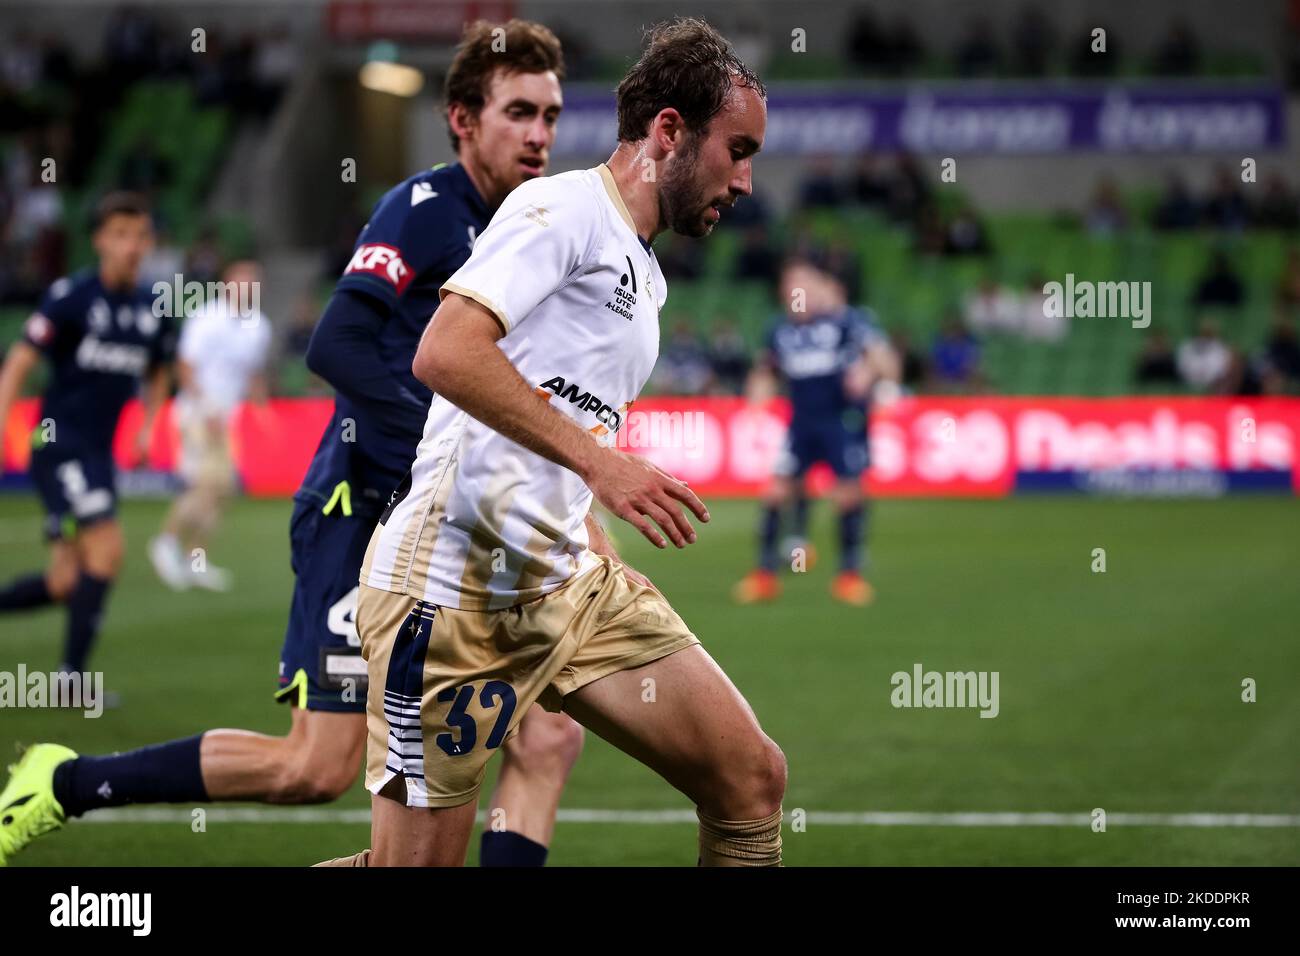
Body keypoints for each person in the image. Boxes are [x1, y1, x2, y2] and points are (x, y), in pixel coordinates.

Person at [0, 20, 579, 870]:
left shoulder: (531, 230)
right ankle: (65, 783)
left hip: (461, 528)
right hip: (361, 510)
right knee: (315, 769)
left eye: (552, 116)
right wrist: (445, 441)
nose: (539, 134)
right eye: (519, 112)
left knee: (545, 740)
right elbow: (335, 345)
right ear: (462, 118)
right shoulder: (422, 211)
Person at [345, 17, 785, 867]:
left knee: (751, 782)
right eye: (738, 150)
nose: (748, 180)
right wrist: (601, 465)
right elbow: (445, 350)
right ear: (668, 132)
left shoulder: (643, 268)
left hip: (564, 586)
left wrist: (591, 525)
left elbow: (561, 406)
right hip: (452, 594)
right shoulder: (561, 208)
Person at [0, 191, 171, 683]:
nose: (131, 246)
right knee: (108, 549)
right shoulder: (71, 297)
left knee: (65, 581)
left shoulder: (151, 307)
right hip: (58, 448)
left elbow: (159, 373)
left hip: (96, 454)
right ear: (99, 240)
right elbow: (18, 363)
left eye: (140, 235)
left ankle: (69, 679)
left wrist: (145, 429)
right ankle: (71, 683)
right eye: (120, 235)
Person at [733, 257, 898, 607]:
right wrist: (756, 397)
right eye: (790, 286)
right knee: (776, 493)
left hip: (841, 421)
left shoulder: (846, 323)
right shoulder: (780, 330)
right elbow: (765, 371)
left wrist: (869, 372)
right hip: (801, 423)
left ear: (818, 288)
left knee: (848, 494)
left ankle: (849, 576)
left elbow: (885, 361)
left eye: (802, 286)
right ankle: (764, 576)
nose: (796, 293)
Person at [148, 258, 271, 591]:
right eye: (239, 279)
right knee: (205, 484)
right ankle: (166, 542)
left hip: (226, 417)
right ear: (226, 282)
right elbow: (185, 367)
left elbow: (253, 373)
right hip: (197, 413)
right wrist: (206, 407)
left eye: (251, 279)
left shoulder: (259, 326)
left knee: (222, 490)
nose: (244, 285)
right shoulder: (207, 317)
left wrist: (262, 409)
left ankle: (194, 558)